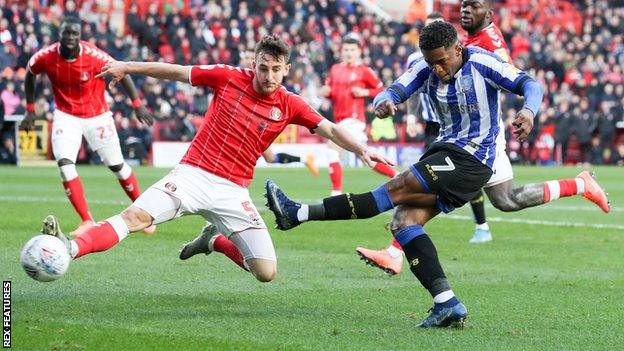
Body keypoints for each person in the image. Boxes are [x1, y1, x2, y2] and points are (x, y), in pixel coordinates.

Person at [265, 21, 610, 328]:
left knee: (396, 189)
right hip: (445, 150)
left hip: (474, 157)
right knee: (404, 222)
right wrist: (383, 102)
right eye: (432, 62)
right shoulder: (425, 66)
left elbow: (530, 84)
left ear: (458, 48)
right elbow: (392, 90)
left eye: (443, 60)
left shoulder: (482, 63)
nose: (438, 69)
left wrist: (529, 112)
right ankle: (447, 303)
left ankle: (298, 213)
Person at [37, 35, 391, 284]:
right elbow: (176, 71)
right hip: (192, 175)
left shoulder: (290, 103)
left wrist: (361, 150)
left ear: (287, 70)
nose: (268, 76)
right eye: (263, 67)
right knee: (135, 217)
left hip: (234, 192)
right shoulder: (228, 77)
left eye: (276, 70)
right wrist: (126, 66)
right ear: (255, 64)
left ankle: (213, 241)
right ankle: (68, 248)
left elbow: (329, 129)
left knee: (266, 272)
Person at [356, 0, 611, 275]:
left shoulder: (487, 44)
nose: (465, 10)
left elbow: (512, 78)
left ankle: (396, 250)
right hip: (462, 131)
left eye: (473, 6)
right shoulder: (466, 40)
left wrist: (527, 110)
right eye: (464, 5)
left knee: (433, 184)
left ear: (488, 14)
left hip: (479, 134)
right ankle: (580, 185)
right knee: (505, 199)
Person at [20, 17, 155, 235]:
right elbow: (30, 73)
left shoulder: (94, 56)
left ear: (80, 36)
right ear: (60, 34)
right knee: (64, 164)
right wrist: (29, 108)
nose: (71, 37)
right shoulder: (45, 57)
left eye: (75, 33)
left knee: (117, 166)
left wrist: (137, 104)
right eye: (67, 33)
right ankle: (86, 220)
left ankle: (145, 215)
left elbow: (121, 72)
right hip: (66, 116)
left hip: (98, 116)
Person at [320, 33, 397, 196]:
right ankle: (398, 177)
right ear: (341, 51)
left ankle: (336, 193)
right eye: (346, 49)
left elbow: (381, 90)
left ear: (358, 52)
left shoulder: (364, 71)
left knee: (331, 147)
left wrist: (364, 91)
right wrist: (326, 92)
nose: (348, 52)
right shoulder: (335, 69)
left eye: (352, 50)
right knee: (366, 157)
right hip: (340, 119)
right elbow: (330, 91)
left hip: (354, 120)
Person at [240, 48, 319, 176]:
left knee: (265, 158)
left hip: (256, 124)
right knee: (270, 158)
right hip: (244, 124)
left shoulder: (264, 79)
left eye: (251, 58)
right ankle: (304, 159)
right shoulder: (237, 78)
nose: (248, 61)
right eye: (246, 58)